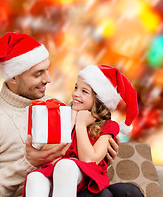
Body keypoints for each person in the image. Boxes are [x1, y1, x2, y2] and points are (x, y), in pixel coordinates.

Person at [0, 32, 142, 197]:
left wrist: (101, 156)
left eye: (47, 69)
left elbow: (79, 158)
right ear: (13, 77)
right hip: (36, 188)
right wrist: (29, 163)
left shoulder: (57, 106)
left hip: (66, 184)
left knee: (129, 192)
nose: (48, 79)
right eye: (38, 74)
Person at [23, 64, 140, 197]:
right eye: (76, 87)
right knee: (35, 178)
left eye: (84, 91)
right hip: (57, 173)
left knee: (65, 165)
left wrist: (80, 125)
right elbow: (50, 154)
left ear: (99, 101)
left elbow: (89, 160)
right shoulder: (63, 115)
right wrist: (70, 122)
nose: (76, 94)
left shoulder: (109, 126)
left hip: (86, 177)